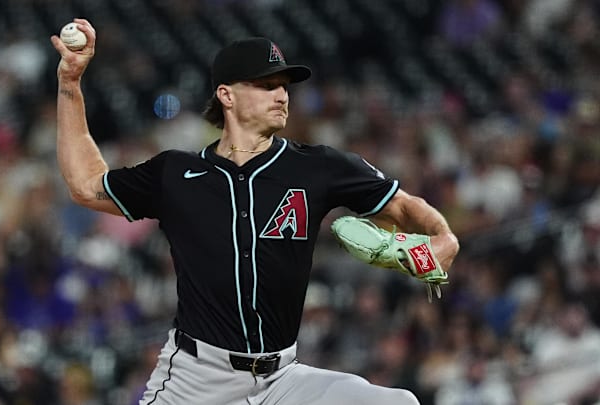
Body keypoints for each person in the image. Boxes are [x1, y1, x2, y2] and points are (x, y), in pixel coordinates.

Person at [51, 18, 460, 405]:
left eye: (284, 85)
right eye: (266, 84)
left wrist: (443, 239)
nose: (281, 94)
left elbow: (405, 207)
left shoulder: (319, 167)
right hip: (197, 379)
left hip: (282, 379)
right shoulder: (176, 173)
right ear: (226, 95)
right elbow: (86, 185)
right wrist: (70, 83)